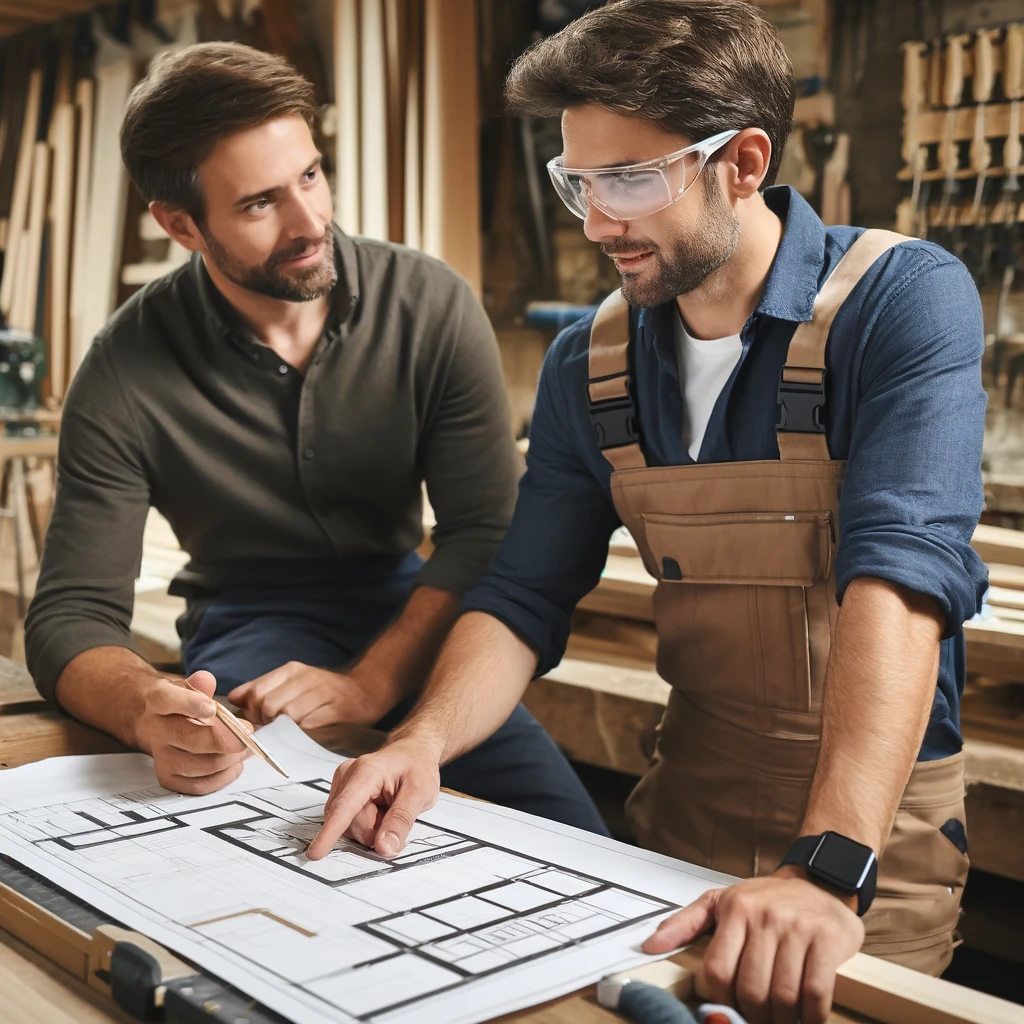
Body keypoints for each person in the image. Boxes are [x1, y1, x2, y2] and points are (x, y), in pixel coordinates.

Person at [303, 2, 988, 1021]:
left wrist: (828, 865)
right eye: (578, 182)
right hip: (679, 819)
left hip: (866, 839)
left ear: (742, 162)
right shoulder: (592, 361)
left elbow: (899, 575)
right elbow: (524, 593)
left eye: (627, 179)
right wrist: (419, 741)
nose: (595, 222)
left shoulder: (899, 301)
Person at [25, 42, 607, 836]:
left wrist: (369, 686)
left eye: (310, 174)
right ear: (179, 224)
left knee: (570, 834)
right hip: (247, 625)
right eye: (261, 203)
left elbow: (485, 533)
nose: (311, 222)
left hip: (421, 615)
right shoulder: (124, 368)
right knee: (293, 839)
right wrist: (141, 706)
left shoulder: (430, 304)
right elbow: (71, 615)